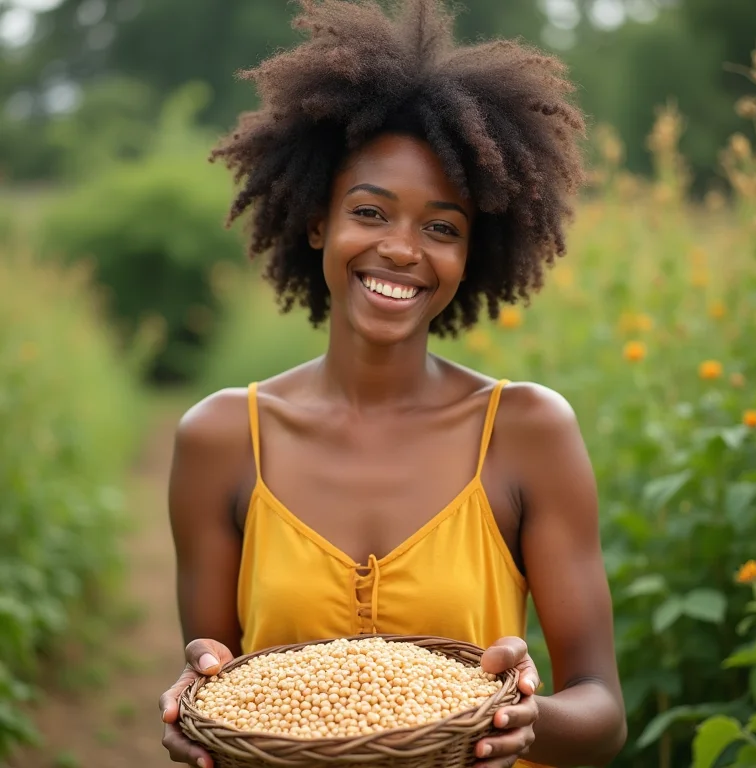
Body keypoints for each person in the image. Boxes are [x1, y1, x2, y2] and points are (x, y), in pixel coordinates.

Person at [158, 0, 627, 766]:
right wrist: (192, 705)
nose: (402, 249)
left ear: (473, 251)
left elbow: (603, 712)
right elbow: (216, 676)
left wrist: (527, 718)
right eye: (370, 212)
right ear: (318, 221)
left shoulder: (527, 432)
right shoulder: (221, 439)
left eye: (441, 227)